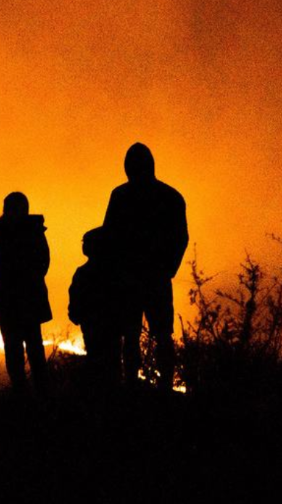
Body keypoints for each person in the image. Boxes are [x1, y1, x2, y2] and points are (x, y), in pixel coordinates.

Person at [103, 142, 188, 392]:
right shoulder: (170, 197)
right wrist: (168, 268)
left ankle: (132, 385)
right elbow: (180, 238)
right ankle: (162, 387)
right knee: (159, 336)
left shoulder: (121, 196)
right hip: (151, 277)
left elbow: (110, 235)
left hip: (133, 277)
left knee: (133, 335)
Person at [0, 192, 51, 395]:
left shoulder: (1, 231)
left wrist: (5, 280)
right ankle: (40, 393)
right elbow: (44, 262)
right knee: (32, 346)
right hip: (29, 298)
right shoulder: (34, 230)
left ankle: (23, 393)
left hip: (10, 299)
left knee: (16, 348)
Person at [68, 227, 122, 388]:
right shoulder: (113, 272)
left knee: (97, 358)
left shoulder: (84, 272)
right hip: (105, 324)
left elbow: (75, 296)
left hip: (94, 324)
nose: (83, 245)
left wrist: (75, 313)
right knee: (111, 360)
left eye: (86, 242)